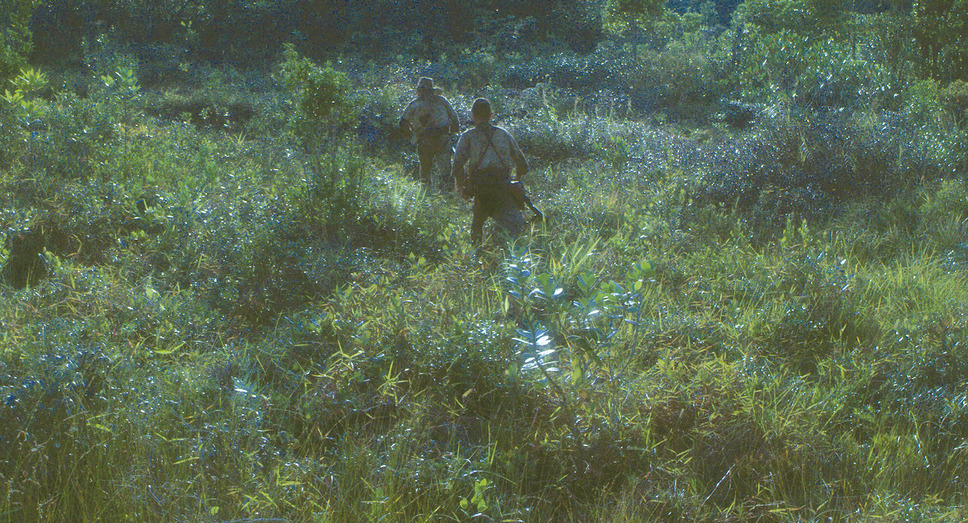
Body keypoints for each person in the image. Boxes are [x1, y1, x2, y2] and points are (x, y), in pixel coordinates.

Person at [453, 98, 529, 246]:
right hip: (503, 186)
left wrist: (461, 186)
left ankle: (476, 253)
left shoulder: (468, 136)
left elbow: (457, 165)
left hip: (481, 189)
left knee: (477, 224)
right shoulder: (504, 134)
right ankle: (507, 252)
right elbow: (522, 164)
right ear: (491, 115)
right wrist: (516, 180)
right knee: (513, 225)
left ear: (472, 115)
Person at [399, 77, 461, 191]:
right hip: (442, 139)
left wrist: (413, 137)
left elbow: (403, 123)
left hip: (424, 140)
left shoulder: (415, 104)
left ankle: (426, 195)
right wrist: (451, 135)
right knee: (446, 171)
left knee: (425, 171)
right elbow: (455, 121)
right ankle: (448, 194)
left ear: (420, 90)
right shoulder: (442, 101)